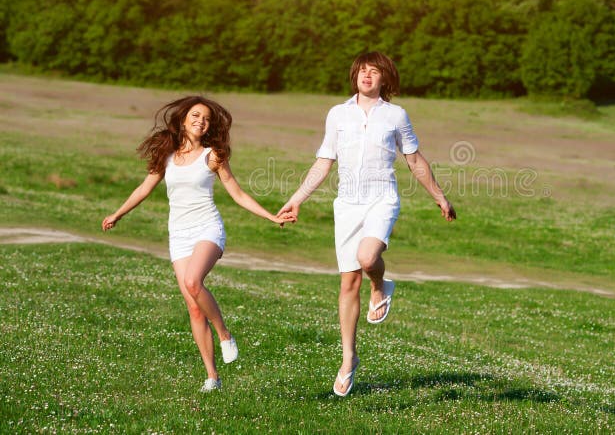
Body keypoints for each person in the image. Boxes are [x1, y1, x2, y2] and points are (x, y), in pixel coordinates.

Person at [279, 51, 456, 397]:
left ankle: (379, 286)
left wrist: (440, 196)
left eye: (374, 71)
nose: (367, 75)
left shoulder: (396, 115)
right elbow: (324, 162)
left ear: (384, 78)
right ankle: (349, 359)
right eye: (362, 70)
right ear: (355, 75)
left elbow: (414, 160)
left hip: (381, 199)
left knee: (367, 257)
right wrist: (297, 198)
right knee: (348, 283)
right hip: (347, 204)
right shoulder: (337, 114)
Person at [102, 96, 295, 393]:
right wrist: (117, 214)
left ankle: (225, 335)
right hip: (178, 235)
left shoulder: (212, 156)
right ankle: (212, 377)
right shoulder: (167, 155)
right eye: (195, 115)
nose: (200, 121)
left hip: (208, 229)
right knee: (193, 308)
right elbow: (144, 188)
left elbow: (238, 194)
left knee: (193, 281)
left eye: (205, 119)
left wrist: (271, 216)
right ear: (183, 120)